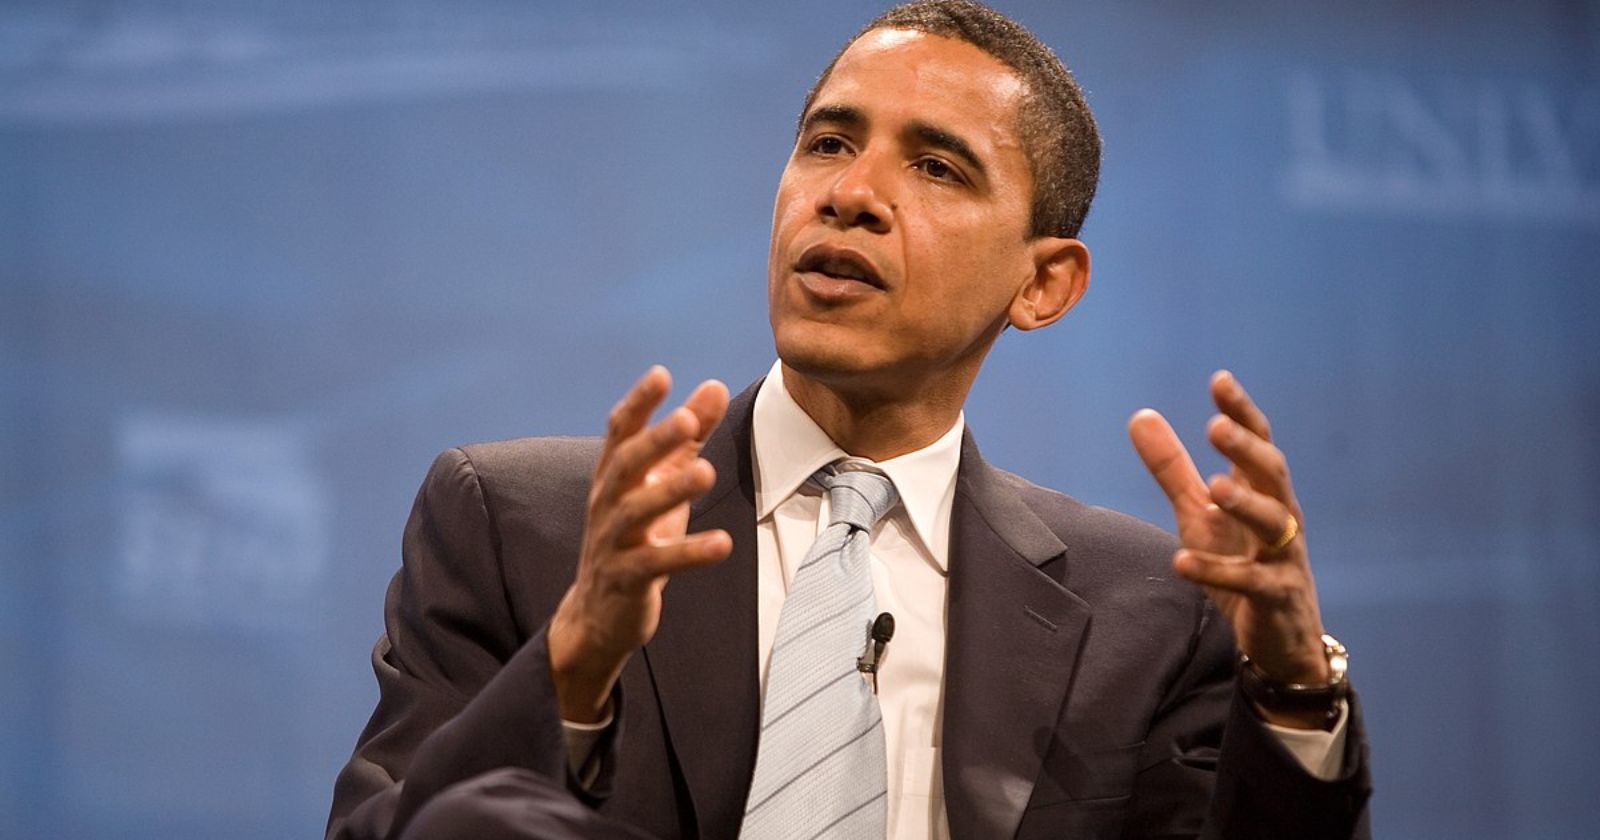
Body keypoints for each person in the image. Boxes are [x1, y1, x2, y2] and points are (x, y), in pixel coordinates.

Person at [327, 2, 1371, 838]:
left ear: (1044, 282)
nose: (853, 193)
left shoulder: (1148, 616)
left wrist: (1292, 693)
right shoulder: (522, 528)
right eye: (828, 143)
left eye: (936, 167)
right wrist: (572, 667)